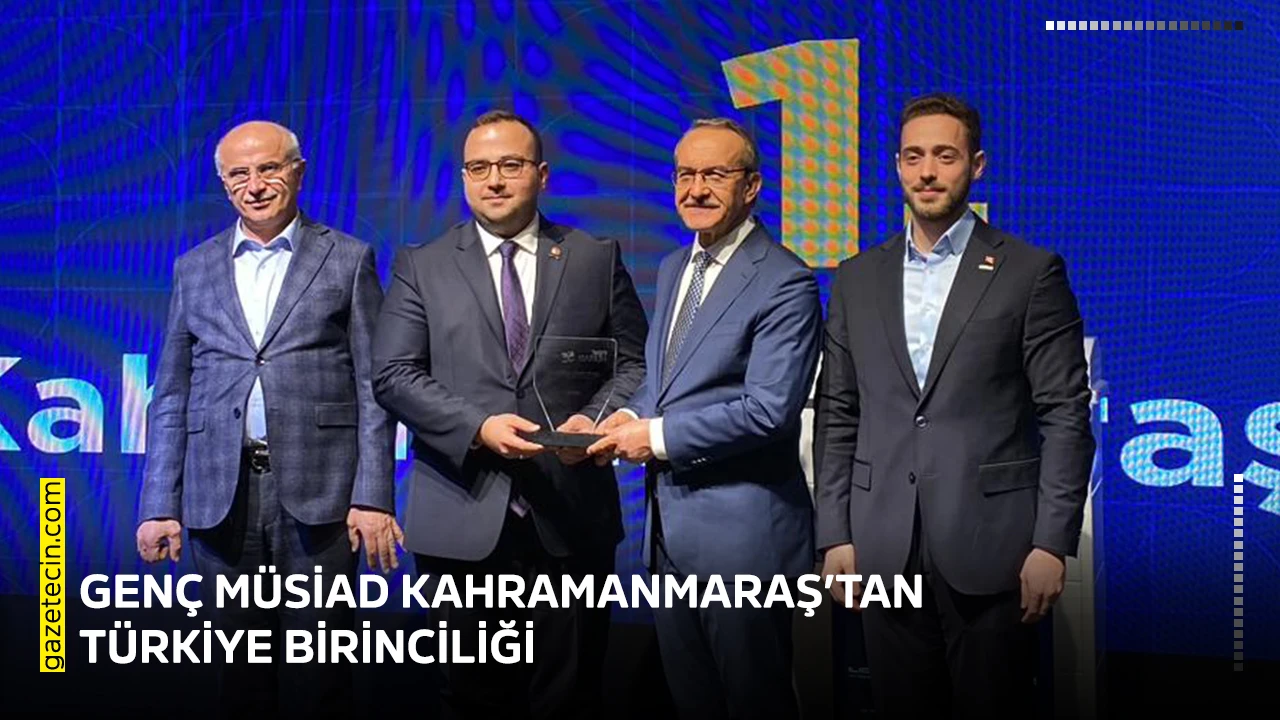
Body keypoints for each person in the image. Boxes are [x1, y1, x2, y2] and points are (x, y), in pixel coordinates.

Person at [813, 92, 1096, 718]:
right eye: (913, 157)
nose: (927, 172)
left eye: (945, 156)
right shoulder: (856, 277)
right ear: (896, 166)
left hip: (993, 550)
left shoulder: (1030, 272)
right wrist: (834, 533)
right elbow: (837, 410)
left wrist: (1052, 543)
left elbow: (1065, 415)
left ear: (977, 165)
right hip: (882, 548)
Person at [371, 109, 647, 720]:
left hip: (571, 518)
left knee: (570, 699)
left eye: (510, 165)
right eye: (478, 168)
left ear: (542, 175)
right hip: (461, 515)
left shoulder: (594, 258)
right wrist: (476, 427)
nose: (493, 179)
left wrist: (598, 421)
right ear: (463, 178)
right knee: (473, 699)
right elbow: (393, 374)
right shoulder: (422, 264)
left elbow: (634, 363)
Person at [135, 120, 399, 716]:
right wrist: (158, 505)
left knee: (321, 673)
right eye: (239, 174)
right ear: (224, 184)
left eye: (268, 169)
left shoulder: (348, 258)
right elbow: (171, 393)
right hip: (219, 496)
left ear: (297, 173)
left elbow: (373, 387)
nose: (254, 186)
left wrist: (373, 496)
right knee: (238, 676)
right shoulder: (193, 268)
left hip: (322, 495)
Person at [589, 117, 822, 720]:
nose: (695, 189)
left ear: (752, 186)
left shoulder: (786, 281)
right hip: (670, 536)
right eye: (684, 175)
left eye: (714, 174)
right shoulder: (675, 267)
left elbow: (769, 410)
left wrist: (654, 437)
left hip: (745, 544)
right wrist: (620, 419)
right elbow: (666, 384)